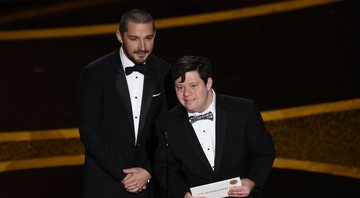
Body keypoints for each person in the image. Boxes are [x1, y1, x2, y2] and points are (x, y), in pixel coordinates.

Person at [77, 8, 173, 198]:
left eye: (148, 37)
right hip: (106, 181)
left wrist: (148, 170)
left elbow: (167, 128)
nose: (143, 46)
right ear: (120, 37)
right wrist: (124, 175)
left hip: (149, 183)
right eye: (134, 38)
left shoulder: (164, 71)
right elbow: (90, 131)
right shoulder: (95, 73)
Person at [155, 55, 276, 198]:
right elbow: (167, 170)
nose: (186, 94)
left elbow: (265, 151)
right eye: (180, 87)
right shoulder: (167, 122)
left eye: (193, 86)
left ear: (208, 83)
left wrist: (251, 181)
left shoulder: (243, 110)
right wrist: (184, 195)